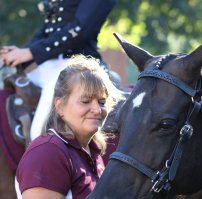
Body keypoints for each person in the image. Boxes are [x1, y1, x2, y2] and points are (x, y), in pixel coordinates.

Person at [15, 55, 121, 199]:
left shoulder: (92, 151)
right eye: (85, 101)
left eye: (101, 101)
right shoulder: (48, 153)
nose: (97, 109)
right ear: (60, 106)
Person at [0, 0, 116, 141]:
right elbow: (48, 30)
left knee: (37, 132)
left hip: (77, 65)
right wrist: (20, 54)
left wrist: (31, 52)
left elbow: (80, 30)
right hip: (50, 65)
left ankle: (40, 157)